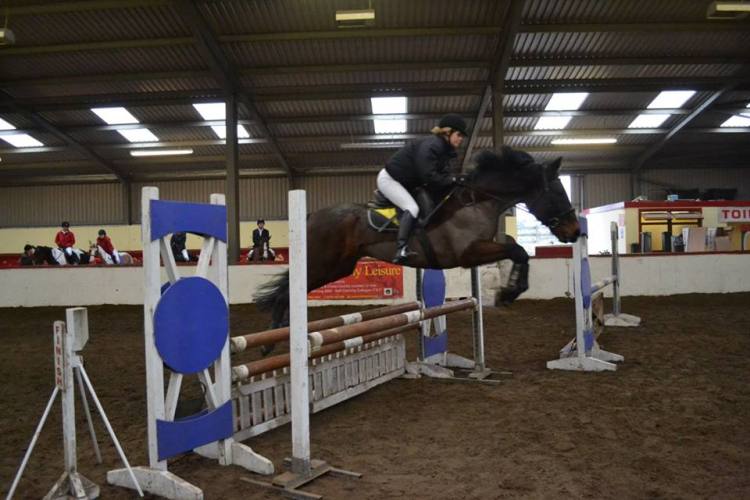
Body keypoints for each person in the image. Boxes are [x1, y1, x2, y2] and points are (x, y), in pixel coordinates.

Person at [376, 113, 468, 264]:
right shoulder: (432, 145)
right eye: (459, 135)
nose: (461, 139)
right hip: (390, 180)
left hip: (407, 183)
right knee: (412, 208)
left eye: (462, 136)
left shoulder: (446, 151)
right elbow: (429, 177)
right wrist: (453, 179)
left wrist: (457, 180)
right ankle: (401, 249)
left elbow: (443, 176)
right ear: (447, 132)